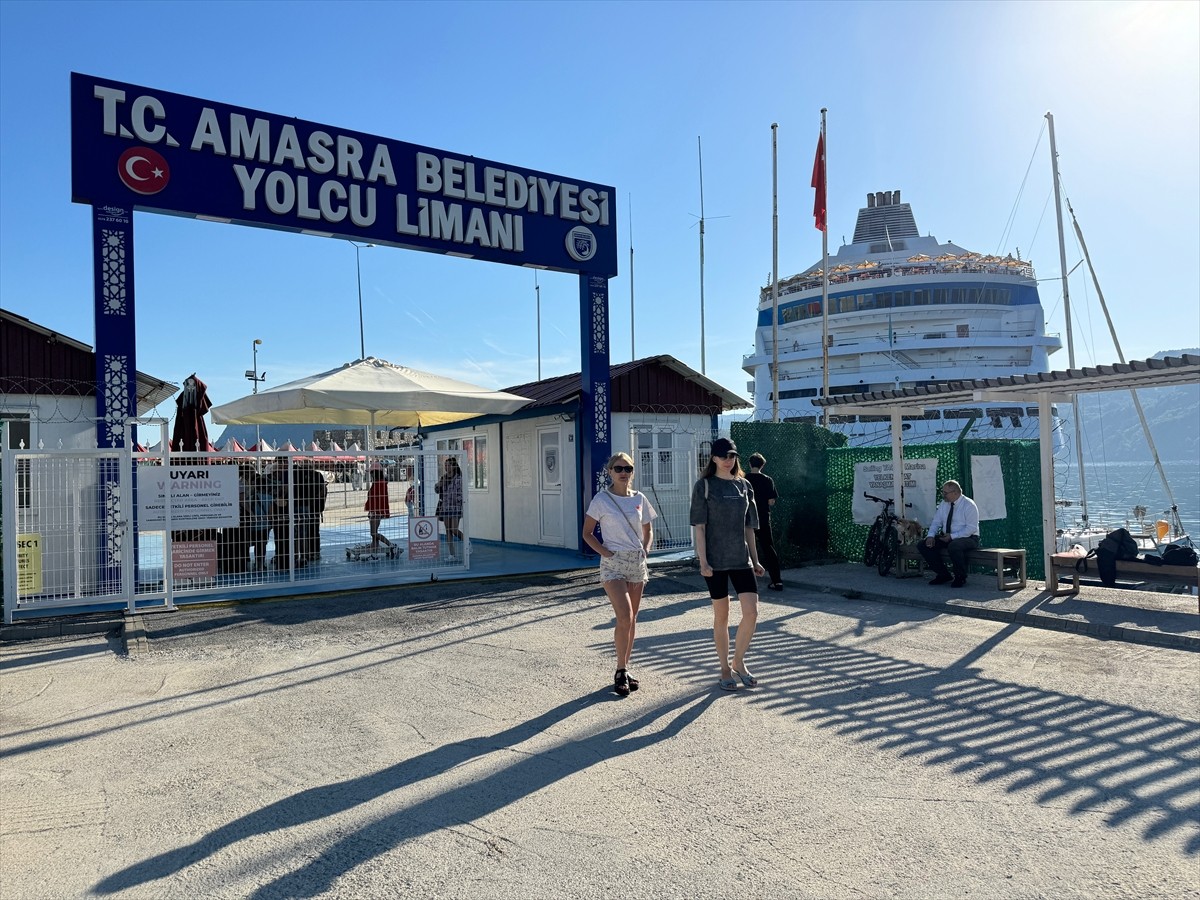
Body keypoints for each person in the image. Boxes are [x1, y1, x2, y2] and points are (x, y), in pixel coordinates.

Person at [690, 437, 765, 691]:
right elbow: (699, 527)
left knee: (752, 613)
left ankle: (739, 661)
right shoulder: (704, 486)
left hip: (741, 559)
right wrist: (703, 561)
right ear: (713, 458)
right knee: (722, 616)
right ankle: (724, 667)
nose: (728, 459)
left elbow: (749, 527)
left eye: (732, 455)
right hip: (715, 562)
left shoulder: (745, 486)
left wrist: (755, 560)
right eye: (723, 455)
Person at [582, 453, 657, 697]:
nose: (623, 472)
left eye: (628, 468)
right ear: (610, 471)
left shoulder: (640, 498)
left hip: (636, 563)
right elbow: (588, 533)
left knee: (633, 618)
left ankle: (625, 667)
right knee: (624, 615)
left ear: (632, 472)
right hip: (613, 564)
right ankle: (619, 670)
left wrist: (645, 548)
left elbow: (648, 529)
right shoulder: (601, 500)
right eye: (618, 468)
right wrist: (606, 552)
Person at [919, 479, 980, 588]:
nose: (943, 495)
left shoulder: (969, 505)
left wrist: (952, 536)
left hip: (968, 537)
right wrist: (930, 536)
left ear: (955, 493)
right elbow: (936, 521)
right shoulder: (944, 504)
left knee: (954, 546)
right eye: (943, 492)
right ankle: (943, 575)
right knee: (923, 545)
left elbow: (971, 528)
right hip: (948, 536)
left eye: (945, 493)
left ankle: (960, 577)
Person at [746, 452, 784, 591]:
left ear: (750, 464)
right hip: (763, 517)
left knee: (746, 548)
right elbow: (771, 501)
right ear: (763, 465)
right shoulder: (768, 480)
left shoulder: (744, 479)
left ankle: (746, 581)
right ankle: (777, 581)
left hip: (746, 518)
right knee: (768, 547)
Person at [435, 457, 464, 558]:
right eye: (445, 465)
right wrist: (438, 485)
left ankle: (466, 542)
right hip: (446, 507)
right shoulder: (444, 478)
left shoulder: (459, 478)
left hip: (456, 507)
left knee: (454, 529)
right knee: (448, 530)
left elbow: (461, 493)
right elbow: (437, 490)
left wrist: (458, 501)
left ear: (453, 466)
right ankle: (451, 554)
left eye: (448, 465)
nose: (446, 467)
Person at [365, 467, 395, 552]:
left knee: (373, 532)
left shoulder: (380, 484)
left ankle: (390, 544)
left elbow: (379, 498)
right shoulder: (377, 483)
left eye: (371, 473)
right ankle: (375, 544)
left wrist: (376, 510)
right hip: (374, 510)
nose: (371, 475)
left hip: (376, 511)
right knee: (374, 532)